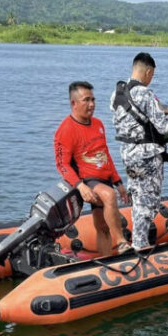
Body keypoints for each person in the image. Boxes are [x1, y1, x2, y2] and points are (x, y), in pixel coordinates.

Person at [54, 81, 130, 254]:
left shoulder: (98, 124)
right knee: (109, 195)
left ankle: (106, 261)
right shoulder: (65, 129)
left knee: (102, 228)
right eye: (86, 100)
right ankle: (121, 242)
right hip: (87, 181)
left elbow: (105, 154)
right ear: (74, 103)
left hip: (104, 177)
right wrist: (80, 186)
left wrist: (118, 182)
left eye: (93, 100)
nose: (92, 104)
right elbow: (62, 164)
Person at [111, 52, 168, 251]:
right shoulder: (145, 94)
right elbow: (164, 127)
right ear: (148, 71)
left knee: (138, 196)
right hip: (147, 155)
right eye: (152, 74)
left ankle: (138, 240)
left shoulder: (116, 94)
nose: (151, 79)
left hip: (128, 153)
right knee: (148, 199)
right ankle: (140, 243)